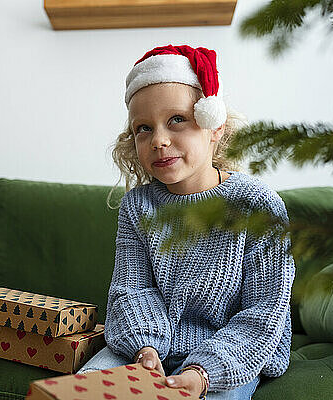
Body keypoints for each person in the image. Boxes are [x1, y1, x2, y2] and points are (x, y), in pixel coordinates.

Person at [75, 44, 296, 400]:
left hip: (232, 352)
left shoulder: (257, 204)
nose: (159, 141)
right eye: (143, 128)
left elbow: (264, 312)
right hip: (146, 344)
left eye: (177, 120)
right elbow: (131, 290)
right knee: (88, 389)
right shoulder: (137, 206)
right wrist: (144, 352)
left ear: (214, 127)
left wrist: (201, 372)